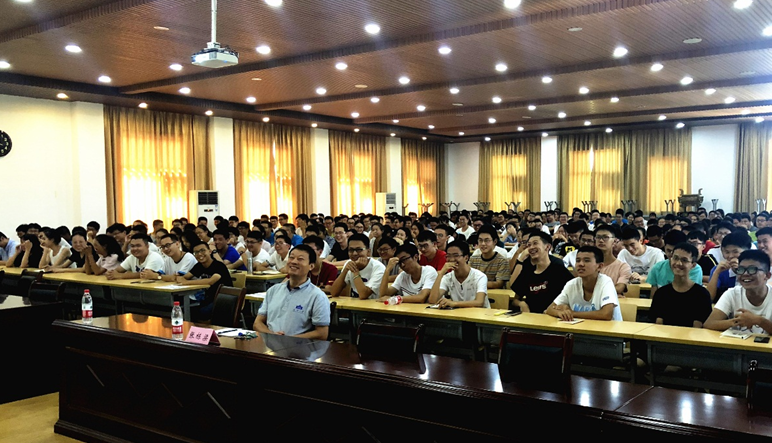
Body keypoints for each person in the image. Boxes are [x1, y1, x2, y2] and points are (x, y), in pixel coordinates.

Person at [254, 244, 331, 339]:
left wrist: (290, 340)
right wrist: (272, 335)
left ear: (311, 266)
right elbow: (258, 323)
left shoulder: (317, 296)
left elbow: (322, 333)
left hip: (300, 346)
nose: (294, 262)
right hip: (271, 344)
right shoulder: (273, 290)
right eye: (291, 257)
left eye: (300, 259)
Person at [546, 246, 622, 321]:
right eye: (578, 260)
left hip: (608, 328)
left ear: (599, 266)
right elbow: (549, 309)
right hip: (582, 327)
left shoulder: (606, 282)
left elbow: (606, 314)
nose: (581, 264)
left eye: (586, 260)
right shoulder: (571, 284)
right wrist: (561, 313)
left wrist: (572, 313)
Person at [705, 250, 772, 335]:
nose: (745, 274)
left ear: (767, 275)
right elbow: (709, 323)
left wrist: (759, 321)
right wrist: (737, 321)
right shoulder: (732, 293)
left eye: (752, 269)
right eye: (741, 269)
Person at [650, 243, 712, 328]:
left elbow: (698, 327)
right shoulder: (661, 293)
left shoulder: (702, 294)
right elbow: (657, 324)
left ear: (693, 265)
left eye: (684, 260)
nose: (678, 263)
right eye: (675, 258)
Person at [510, 231, 574, 313]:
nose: (531, 247)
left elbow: (573, 294)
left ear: (547, 247)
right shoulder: (528, 270)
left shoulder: (558, 268)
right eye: (529, 245)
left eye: (535, 243)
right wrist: (522, 304)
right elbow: (515, 300)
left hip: (552, 316)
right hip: (531, 316)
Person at [178, 241, 234, 321]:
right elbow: (184, 277)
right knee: (187, 308)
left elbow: (211, 281)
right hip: (208, 299)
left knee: (200, 312)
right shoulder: (199, 266)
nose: (200, 254)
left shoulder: (219, 265)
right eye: (196, 252)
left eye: (202, 250)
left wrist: (187, 282)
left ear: (209, 251)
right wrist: (181, 279)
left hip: (224, 299)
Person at [428, 241, 489, 309]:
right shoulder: (447, 278)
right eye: (448, 256)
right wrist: (441, 273)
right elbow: (433, 300)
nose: (451, 259)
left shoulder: (479, 276)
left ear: (466, 258)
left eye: (456, 255)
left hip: (480, 314)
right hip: (458, 314)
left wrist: (454, 303)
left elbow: (479, 302)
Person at [646, 230, 703, 297]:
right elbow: (653, 297)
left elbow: (693, 295)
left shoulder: (695, 270)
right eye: (668, 250)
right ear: (664, 247)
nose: (671, 255)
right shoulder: (658, 267)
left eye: (674, 252)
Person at [330, 233, 385, 299]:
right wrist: (345, 271)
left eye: (359, 250)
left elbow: (363, 295)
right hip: (355, 304)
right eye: (351, 250)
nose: (354, 253)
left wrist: (355, 271)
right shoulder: (349, 263)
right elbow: (334, 293)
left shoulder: (378, 268)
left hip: (374, 305)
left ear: (368, 252)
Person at [707, 230, 752, 302]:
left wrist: (741, 271)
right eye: (727, 252)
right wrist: (716, 273)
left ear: (747, 251)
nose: (730, 256)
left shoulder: (754, 270)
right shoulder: (719, 269)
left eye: (735, 252)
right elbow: (709, 298)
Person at [593, 224, 632, 296]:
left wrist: (595, 292)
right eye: (598, 237)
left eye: (605, 237)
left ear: (614, 241)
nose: (601, 240)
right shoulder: (589, 264)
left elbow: (620, 288)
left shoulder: (623, 267)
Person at [468, 224, 510, 289]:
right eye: (480, 240)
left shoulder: (502, 261)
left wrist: (476, 283)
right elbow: (468, 279)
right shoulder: (473, 259)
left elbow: (499, 284)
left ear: (495, 241)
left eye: (487, 240)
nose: (483, 244)